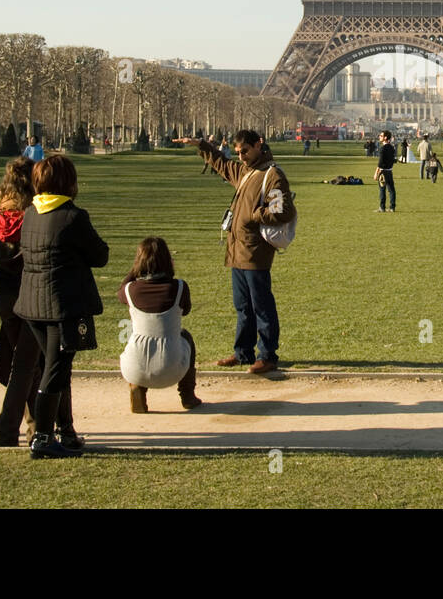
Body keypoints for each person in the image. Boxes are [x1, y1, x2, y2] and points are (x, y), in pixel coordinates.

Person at [15, 155, 108, 458]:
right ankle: (43, 436)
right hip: (61, 303)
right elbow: (99, 255)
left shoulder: (30, 213)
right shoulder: (72, 216)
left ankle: (64, 429)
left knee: (56, 366)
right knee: (55, 369)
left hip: (32, 302)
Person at [0, 157, 81, 449]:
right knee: (31, 366)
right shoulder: (36, 218)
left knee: (31, 365)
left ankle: (34, 427)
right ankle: (14, 430)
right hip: (33, 296)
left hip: (6, 296)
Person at [200, 129, 296, 374]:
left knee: (261, 306)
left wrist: (254, 215)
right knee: (242, 306)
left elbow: (282, 211)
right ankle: (243, 353)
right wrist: (201, 145)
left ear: (258, 145)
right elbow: (222, 164)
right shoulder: (246, 172)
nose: (241, 156)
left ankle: (267, 355)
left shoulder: (272, 175)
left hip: (255, 252)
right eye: (239, 152)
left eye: (245, 151)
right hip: (237, 250)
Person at [119, 237, 201, 412]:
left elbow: (121, 290)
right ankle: (187, 396)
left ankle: (138, 388)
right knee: (185, 335)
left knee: (131, 336)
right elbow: (185, 311)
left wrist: (135, 270)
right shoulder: (179, 287)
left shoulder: (130, 290)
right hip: (172, 369)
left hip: (135, 369)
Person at [375, 130, 398, 212]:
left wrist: (376, 173)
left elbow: (380, 162)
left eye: (381, 136)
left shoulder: (383, 148)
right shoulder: (392, 147)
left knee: (382, 190)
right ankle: (392, 207)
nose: (379, 137)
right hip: (389, 171)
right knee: (391, 190)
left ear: (385, 137)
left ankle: (382, 207)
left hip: (383, 172)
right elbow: (393, 160)